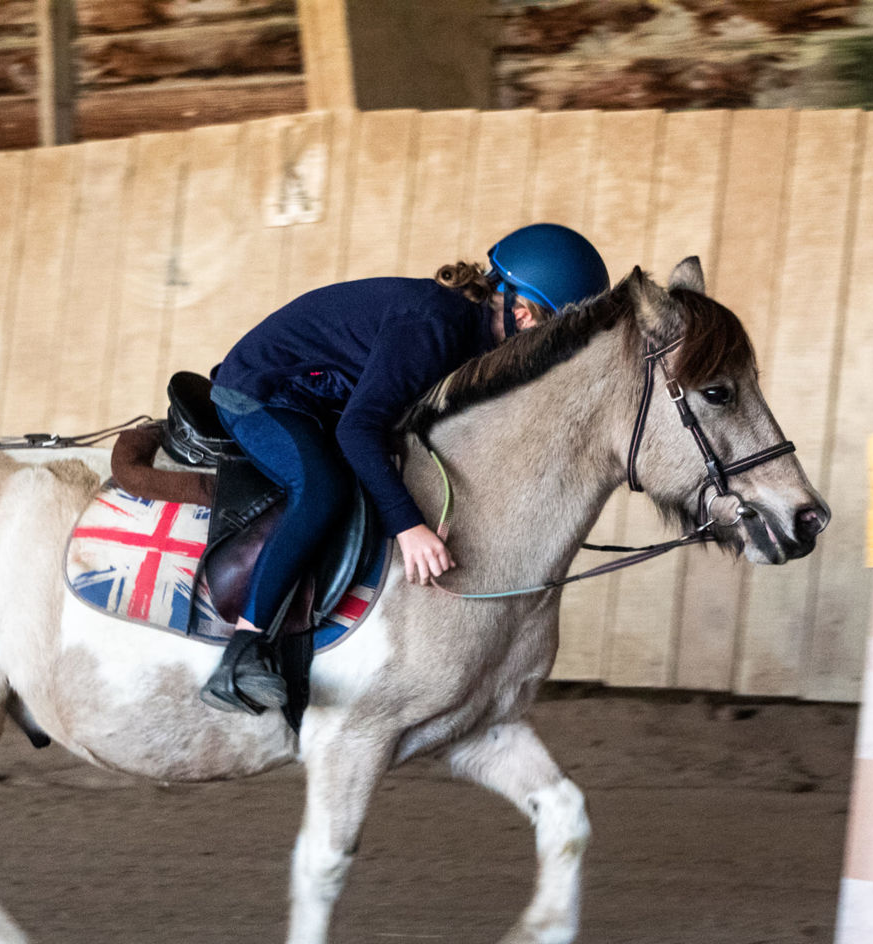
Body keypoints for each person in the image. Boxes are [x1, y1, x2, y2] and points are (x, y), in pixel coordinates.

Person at [199, 223, 611, 714]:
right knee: (322, 488)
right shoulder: (435, 328)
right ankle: (242, 654)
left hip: (318, 394)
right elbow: (357, 431)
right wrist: (410, 527)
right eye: (551, 333)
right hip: (262, 392)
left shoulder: (472, 339)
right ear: (523, 314)